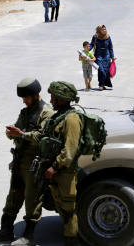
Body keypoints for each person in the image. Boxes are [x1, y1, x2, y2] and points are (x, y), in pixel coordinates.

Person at [0, 78, 54, 246]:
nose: (24, 101)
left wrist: (22, 135)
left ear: (35, 95)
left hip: (34, 162)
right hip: (20, 158)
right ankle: (6, 230)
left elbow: (43, 137)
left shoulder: (47, 112)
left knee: (32, 198)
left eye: (26, 97)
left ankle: (28, 237)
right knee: (13, 196)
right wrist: (12, 132)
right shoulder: (25, 112)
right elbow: (17, 128)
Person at [43, 81, 83, 246]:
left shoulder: (72, 119)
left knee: (68, 210)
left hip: (65, 172)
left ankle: (71, 241)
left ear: (62, 99)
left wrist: (55, 166)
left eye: (53, 97)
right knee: (60, 205)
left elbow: (69, 151)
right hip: (57, 171)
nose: (51, 101)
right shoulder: (59, 116)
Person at [90, 24, 116, 91]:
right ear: (99, 30)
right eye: (103, 29)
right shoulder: (95, 36)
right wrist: (87, 50)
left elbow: (110, 47)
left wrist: (112, 56)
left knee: (106, 71)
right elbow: (92, 45)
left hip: (106, 56)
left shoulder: (107, 37)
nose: (104, 30)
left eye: (105, 29)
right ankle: (101, 85)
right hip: (98, 55)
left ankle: (102, 85)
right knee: (101, 70)